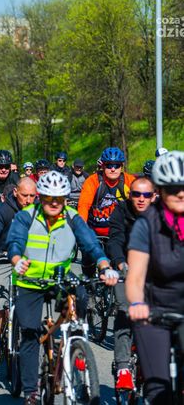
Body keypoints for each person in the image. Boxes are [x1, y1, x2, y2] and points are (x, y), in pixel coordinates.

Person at [5, 171, 118, 404]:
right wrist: (17, 260)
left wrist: (104, 265)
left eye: (59, 198)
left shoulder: (72, 217)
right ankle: (31, 391)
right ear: (41, 197)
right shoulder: (26, 216)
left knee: (82, 295)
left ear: (65, 198)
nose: (54, 203)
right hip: (30, 281)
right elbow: (15, 241)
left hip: (59, 279)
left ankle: (73, 341)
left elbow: (90, 243)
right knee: (30, 333)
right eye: (49, 198)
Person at [126, 151, 184, 404]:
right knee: (159, 390)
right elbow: (135, 278)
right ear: (159, 191)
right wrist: (137, 303)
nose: (180, 194)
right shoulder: (146, 224)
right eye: (172, 189)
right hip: (154, 310)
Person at [0, 178, 37, 367]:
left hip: (30, 261)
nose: (28, 200)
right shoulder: (3, 210)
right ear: (15, 193)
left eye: (32, 196)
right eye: (24, 195)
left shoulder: (39, 211)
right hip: (5, 259)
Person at [107, 177, 156, 391]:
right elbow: (115, 239)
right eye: (137, 194)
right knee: (126, 311)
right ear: (130, 195)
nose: (141, 199)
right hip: (125, 268)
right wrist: (120, 263)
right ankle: (123, 368)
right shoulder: (121, 211)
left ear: (154, 196)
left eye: (147, 195)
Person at [78, 147, 135, 237]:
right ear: (103, 166)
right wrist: (82, 229)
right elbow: (83, 206)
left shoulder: (129, 180)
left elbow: (141, 201)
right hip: (96, 233)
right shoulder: (93, 181)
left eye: (117, 165)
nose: (113, 169)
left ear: (121, 166)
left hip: (121, 232)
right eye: (109, 165)